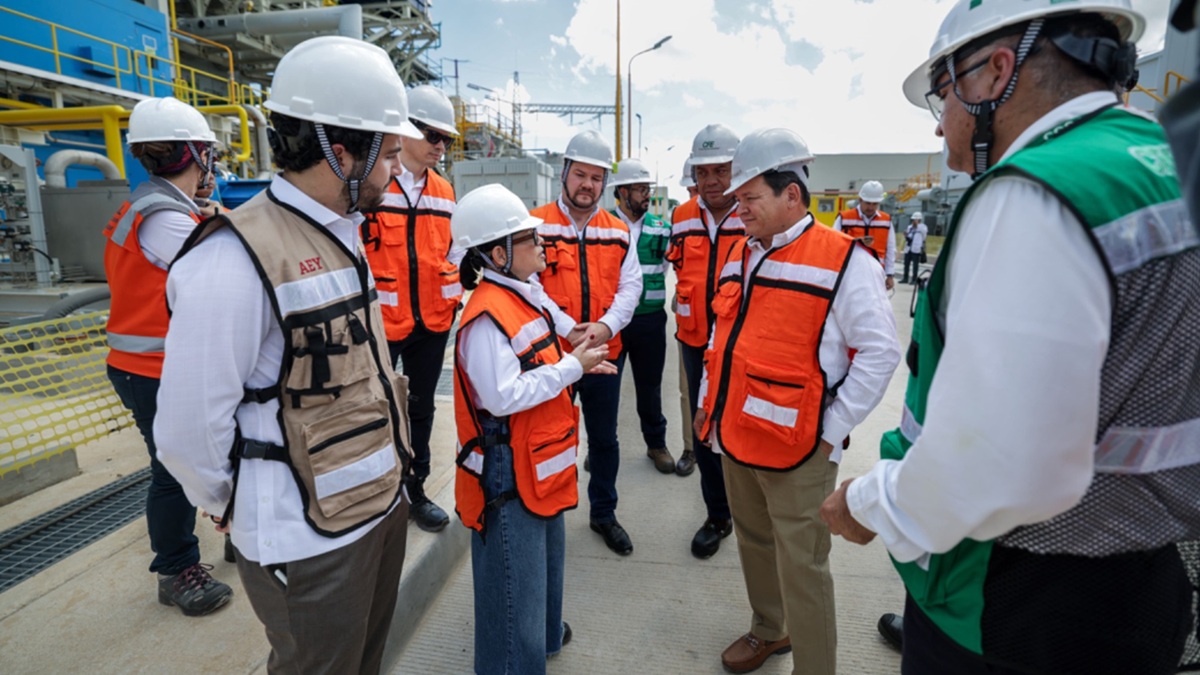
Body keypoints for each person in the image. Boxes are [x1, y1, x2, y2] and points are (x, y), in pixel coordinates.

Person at [820, 2, 1200, 673]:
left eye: (943, 96)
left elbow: (996, 463)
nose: (940, 124)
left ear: (997, 71)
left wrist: (868, 501)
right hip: (1142, 587)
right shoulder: (1166, 161)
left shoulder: (1038, 192)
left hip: (1022, 603)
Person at [155, 36, 420, 674]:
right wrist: (231, 500)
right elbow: (187, 431)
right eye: (388, 154)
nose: (397, 171)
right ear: (341, 149)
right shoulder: (234, 259)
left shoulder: (342, 234)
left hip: (376, 511)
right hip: (307, 541)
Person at [696, 127, 900, 675]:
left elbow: (880, 354)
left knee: (804, 568)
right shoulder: (742, 251)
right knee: (756, 542)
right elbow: (723, 331)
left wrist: (830, 430)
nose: (740, 209)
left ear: (793, 194)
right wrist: (705, 400)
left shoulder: (846, 261)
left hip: (801, 448)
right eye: (737, 200)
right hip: (736, 433)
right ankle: (770, 629)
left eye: (750, 198)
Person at [451, 184, 615, 675]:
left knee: (543, 563)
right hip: (507, 471)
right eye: (530, 239)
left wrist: (580, 357)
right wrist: (571, 368)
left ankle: (540, 636)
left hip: (537, 461)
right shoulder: (484, 318)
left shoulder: (524, 294)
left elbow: (552, 330)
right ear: (499, 253)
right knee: (513, 578)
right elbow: (501, 396)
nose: (543, 246)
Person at [102, 96, 232, 616]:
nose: (212, 166)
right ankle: (177, 570)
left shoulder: (161, 206)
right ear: (193, 154)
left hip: (158, 364)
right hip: (150, 369)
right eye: (208, 154)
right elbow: (225, 268)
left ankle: (233, 533)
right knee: (173, 470)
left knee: (215, 452)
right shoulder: (163, 217)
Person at [532, 129, 642, 556]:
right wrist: (566, 327)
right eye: (580, 174)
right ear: (565, 173)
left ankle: (603, 514)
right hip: (552, 355)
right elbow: (528, 284)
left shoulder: (617, 231)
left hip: (600, 353)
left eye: (597, 178)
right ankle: (546, 510)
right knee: (550, 436)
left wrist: (606, 327)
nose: (588, 185)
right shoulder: (537, 223)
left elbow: (630, 287)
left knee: (605, 439)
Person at [360, 84, 464, 533]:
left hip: (432, 323)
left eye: (447, 139)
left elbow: (456, 253)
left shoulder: (444, 191)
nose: (440, 146)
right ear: (405, 130)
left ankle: (414, 489)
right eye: (433, 135)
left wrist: (455, 288)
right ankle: (375, 496)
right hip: (381, 324)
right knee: (373, 412)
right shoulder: (374, 182)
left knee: (420, 410)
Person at [667, 124, 744, 559]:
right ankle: (718, 515)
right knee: (704, 429)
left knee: (742, 428)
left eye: (721, 170)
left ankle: (751, 511)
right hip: (694, 339)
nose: (711, 181)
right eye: (703, 171)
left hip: (742, 342)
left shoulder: (755, 210)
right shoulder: (680, 216)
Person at [609, 157, 674, 474]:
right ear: (621, 192)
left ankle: (656, 444)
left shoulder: (661, 228)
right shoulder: (603, 226)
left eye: (647, 188)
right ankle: (601, 445)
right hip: (612, 323)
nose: (646, 194)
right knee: (606, 388)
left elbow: (662, 268)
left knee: (650, 385)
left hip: (649, 321)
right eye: (639, 188)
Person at [833, 180, 896, 290]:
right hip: (850, 273)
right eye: (867, 203)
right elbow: (832, 244)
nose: (871, 207)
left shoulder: (886, 221)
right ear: (860, 200)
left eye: (875, 204)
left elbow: (890, 249)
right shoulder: (844, 218)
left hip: (876, 274)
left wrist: (889, 274)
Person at [899, 211, 927, 284]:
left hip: (916, 249)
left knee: (915, 265)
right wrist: (906, 235)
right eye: (913, 220)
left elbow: (924, 236)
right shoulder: (910, 227)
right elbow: (909, 237)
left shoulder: (923, 227)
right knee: (906, 264)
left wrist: (917, 224)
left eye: (915, 220)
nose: (913, 221)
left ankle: (914, 279)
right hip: (908, 248)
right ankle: (905, 278)